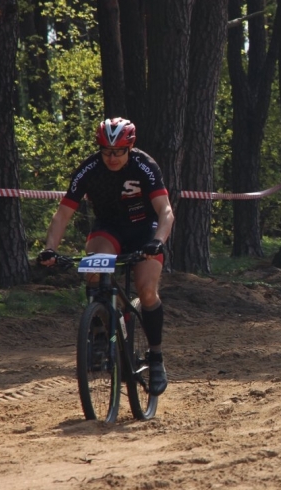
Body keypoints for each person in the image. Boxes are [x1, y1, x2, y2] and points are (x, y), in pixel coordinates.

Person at [38, 118, 174, 396]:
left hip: (143, 229)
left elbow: (165, 211)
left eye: (118, 152)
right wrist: (50, 248)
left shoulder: (145, 166)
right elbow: (63, 213)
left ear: (130, 148)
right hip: (108, 228)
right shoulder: (89, 168)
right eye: (106, 151)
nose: (111, 158)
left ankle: (156, 358)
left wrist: (158, 242)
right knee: (94, 266)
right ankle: (100, 332)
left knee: (147, 291)